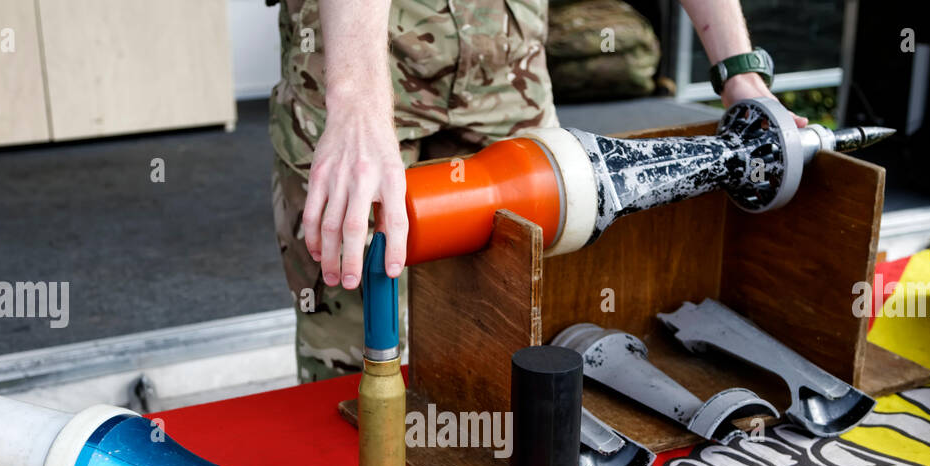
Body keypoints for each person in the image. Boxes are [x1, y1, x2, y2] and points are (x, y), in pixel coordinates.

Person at [269, 0, 802, 382]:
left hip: (507, 64)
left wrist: (739, 72)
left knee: (522, 325)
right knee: (351, 318)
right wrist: (357, 103)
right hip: (352, 55)